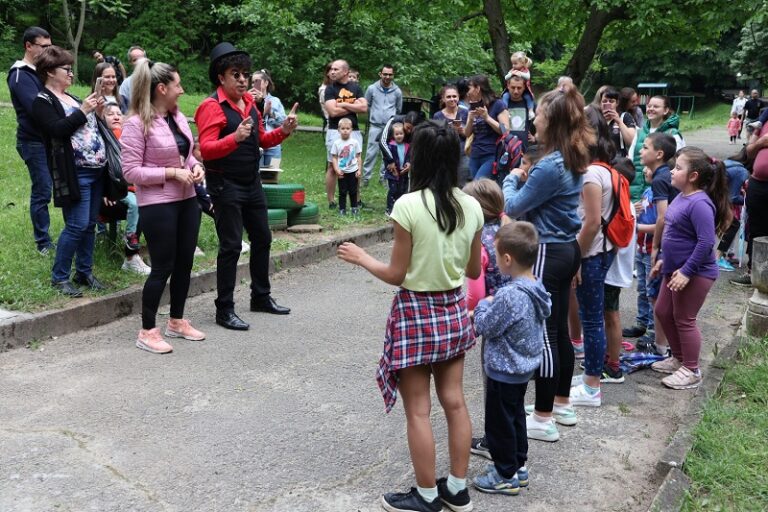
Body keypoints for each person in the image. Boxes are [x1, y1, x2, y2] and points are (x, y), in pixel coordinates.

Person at [337, 120, 483, 512]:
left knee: (418, 409)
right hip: (454, 310)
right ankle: (457, 489)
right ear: (455, 158)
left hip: (416, 312)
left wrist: (362, 257)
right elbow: (472, 271)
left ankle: (427, 496)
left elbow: (396, 274)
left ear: (416, 158)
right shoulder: (471, 205)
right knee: (455, 402)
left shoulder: (408, 205)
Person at [502, 87, 591, 441]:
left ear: (549, 120)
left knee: (546, 334)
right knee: (559, 331)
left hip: (548, 250)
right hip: (566, 249)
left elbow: (514, 205)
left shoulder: (550, 165)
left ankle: (542, 417)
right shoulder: (569, 157)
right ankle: (561, 402)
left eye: (538, 112)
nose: (533, 118)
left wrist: (513, 177)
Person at [195, 42, 298, 330]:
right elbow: (206, 148)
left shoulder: (251, 104)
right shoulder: (211, 106)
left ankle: (260, 297)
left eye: (245, 74)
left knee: (263, 238)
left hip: (251, 182)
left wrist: (284, 132)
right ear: (221, 77)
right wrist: (234, 139)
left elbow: (262, 140)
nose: (242, 79)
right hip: (224, 184)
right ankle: (224, 309)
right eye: (235, 74)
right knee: (230, 246)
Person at [121, 61, 205, 353]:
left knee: (185, 262)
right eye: (178, 85)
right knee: (162, 267)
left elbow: (187, 155)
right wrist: (170, 173)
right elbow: (130, 172)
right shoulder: (135, 124)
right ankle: (147, 330)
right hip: (158, 204)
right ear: (162, 88)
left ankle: (177, 321)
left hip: (187, 199)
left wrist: (196, 168)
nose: (182, 90)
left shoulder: (178, 117)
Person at [472, 221, 549, 495]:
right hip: (523, 368)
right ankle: (518, 466)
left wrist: (482, 305)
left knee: (499, 424)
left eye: (496, 256)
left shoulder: (508, 296)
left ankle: (504, 474)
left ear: (507, 259)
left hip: (504, 369)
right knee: (515, 417)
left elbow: (485, 326)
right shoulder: (536, 287)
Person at [649, 147, 732, 389]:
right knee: (664, 311)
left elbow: (706, 242)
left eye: (678, 168)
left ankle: (692, 369)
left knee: (684, 319)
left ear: (693, 176)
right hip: (673, 270)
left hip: (695, 273)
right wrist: (665, 260)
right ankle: (679, 358)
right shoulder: (681, 197)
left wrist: (686, 271)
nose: (672, 171)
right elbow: (677, 234)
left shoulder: (700, 204)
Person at [31, 46, 107, 297]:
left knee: (90, 225)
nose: (71, 73)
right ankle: (59, 277)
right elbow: (58, 130)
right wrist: (83, 111)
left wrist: (95, 111)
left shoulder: (72, 98)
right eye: (67, 69)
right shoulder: (42, 101)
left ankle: (84, 273)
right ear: (51, 72)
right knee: (76, 224)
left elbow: (88, 127)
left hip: (96, 169)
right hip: (75, 171)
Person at [568, 105, 616, 407]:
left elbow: (592, 221)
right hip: (600, 251)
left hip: (590, 254)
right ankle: (591, 376)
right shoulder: (603, 168)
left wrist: (576, 258)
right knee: (593, 317)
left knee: (592, 319)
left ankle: (592, 385)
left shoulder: (591, 175)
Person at [624, 133, 678, 355]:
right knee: (652, 292)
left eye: (645, 148)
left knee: (656, 294)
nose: (640, 151)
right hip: (667, 243)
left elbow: (663, 217)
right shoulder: (662, 176)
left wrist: (656, 248)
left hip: (665, 245)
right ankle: (659, 339)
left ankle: (660, 343)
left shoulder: (660, 179)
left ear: (659, 154)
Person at [7, 26, 55, 255]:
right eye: (43, 47)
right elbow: (37, 108)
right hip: (32, 142)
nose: (48, 50)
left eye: (50, 46)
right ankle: (43, 243)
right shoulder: (20, 74)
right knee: (43, 190)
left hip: (48, 140)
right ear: (28, 46)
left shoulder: (40, 71)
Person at [101, 102, 150, 275]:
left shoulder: (129, 135)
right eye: (109, 114)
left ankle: (155, 249)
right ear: (101, 118)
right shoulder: (103, 138)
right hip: (116, 190)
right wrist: (105, 190)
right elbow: (102, 168)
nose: (115, 116)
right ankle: (131, 251)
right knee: (137, 205)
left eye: (118, 113)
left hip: (133, 187)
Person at [602, 158, 637, 383]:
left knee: (611, 316)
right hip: (615, 272)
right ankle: (607, 358)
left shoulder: (619, 206)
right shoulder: (626, 203)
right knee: (608, 316)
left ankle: (613, 366)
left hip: (611, 273)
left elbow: (615, 243)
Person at [323, 59, 367, 209]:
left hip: (354, 131)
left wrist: (342, 104)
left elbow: (364, 108)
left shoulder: (356, 87)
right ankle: (331, 201)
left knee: (355, 163)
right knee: (332, 165)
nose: (332, 72)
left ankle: (357, 199)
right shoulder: (329, 89)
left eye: (336, 69)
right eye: (332, 69)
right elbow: (333, 112)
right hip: (335, 131)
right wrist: (354, 106)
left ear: (345, 72)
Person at [731, 109, 768, 286]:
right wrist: (761, 141)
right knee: (755, 229)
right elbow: (749, 153)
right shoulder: (764, 121)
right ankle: (753, 273)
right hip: (758, 184)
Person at [629, 95, 684, 201]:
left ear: (666, 110)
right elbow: (631, 159)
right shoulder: (639, 132)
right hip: (635, 190)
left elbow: (678, 164)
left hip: (660, 189)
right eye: (649, 106)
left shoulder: (673, 134)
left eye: (656, 106)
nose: (651, 109)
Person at [464, 74, 510, 181]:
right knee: (473, 188)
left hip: (491, 155)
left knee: (477, 187)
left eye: (469, 88)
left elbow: (505, 130)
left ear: (478, 88)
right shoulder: (472, 106)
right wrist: (470, 119)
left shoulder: (498, 104)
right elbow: (467, 134)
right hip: (475, 154)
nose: (467, 92)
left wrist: (487, 117)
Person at [363, 65, 403, 186]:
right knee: (371, 153)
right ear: (380, 74)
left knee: (387, 153)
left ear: (393, 75)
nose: (387, 77)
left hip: (389, 127)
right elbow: (366, 104)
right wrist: (375, 115)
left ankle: (384, 178)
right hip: (375, 125)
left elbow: (399, 108)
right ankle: (365, 178)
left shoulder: (397, 91)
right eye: (385, 74)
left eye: (390, 74)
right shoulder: (371, 89)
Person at [716, 151, 749, 271]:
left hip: (712, 196)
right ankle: (718, 258)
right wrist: (747, 198)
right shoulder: (741, 171)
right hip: (716, 200)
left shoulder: (729, 163)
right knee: (733, 224)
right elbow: (733, 197)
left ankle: (723, 255)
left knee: (728, 224)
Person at [432, 85, 469, 185]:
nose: (452, 99)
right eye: (448, 97)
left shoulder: (466, 112)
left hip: (463, 153)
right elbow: (435, 137)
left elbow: (472, 134)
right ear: (443, 99)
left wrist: (462, 131)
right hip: (445, 154)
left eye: (454, 96)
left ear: (458, 97)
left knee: (462, 183)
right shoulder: (438, 116)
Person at [249, 70, 286, 169]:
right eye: (253, 82)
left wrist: (271, 113)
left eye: (258, 81)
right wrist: (261, 111)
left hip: (274, 146)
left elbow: (283, 122)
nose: (254, 84)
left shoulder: (275, 101)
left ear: (266, 83)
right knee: (256, 176)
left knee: (273, 176)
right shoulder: (247, 100)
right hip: (255, 146)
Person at [331, 118, 362, 216]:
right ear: (338, 130)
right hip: (342, 172)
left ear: (351, 130)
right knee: (342, 191)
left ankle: (354, 208)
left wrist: (359, 169)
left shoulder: (355, 142)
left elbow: (358, 157)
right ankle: (342, 209)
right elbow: (334, 158)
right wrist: (337, 170)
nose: (345, 130)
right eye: (343, 128)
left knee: (353, 191)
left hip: (353, 171)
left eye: (347, 128)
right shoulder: (336, 143)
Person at [383, 122, 410, 215]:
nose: (399, 136)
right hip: (392, 173)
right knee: (393, 190)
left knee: (402, 190)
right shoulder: (390, 145)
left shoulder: (407, 145)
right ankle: (389, 208)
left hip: (403, 172)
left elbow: (409, 157)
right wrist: (392, 169)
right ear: (393, 135)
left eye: (401, 133)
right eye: (396, 134)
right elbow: (387, 158)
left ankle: (399, 208)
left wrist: (408, 164)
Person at [601, 86, 636, 157]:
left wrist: (619, 121)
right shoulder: (596, 117)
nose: (608, 104)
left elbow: (632, 141)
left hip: (618, 159)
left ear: (617, 103)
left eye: (611, 101)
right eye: (604, 101)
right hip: (599, 158)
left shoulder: (624, 116)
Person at [503, 75, 535, 148]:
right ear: (508, 85)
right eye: (513, 87)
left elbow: (543, 122)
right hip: (506, 149)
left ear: (524, 87)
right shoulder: (501, 105)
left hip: (525, 150)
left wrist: (536, 138)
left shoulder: (531, 106)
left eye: (519, 88)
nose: (516, 91)